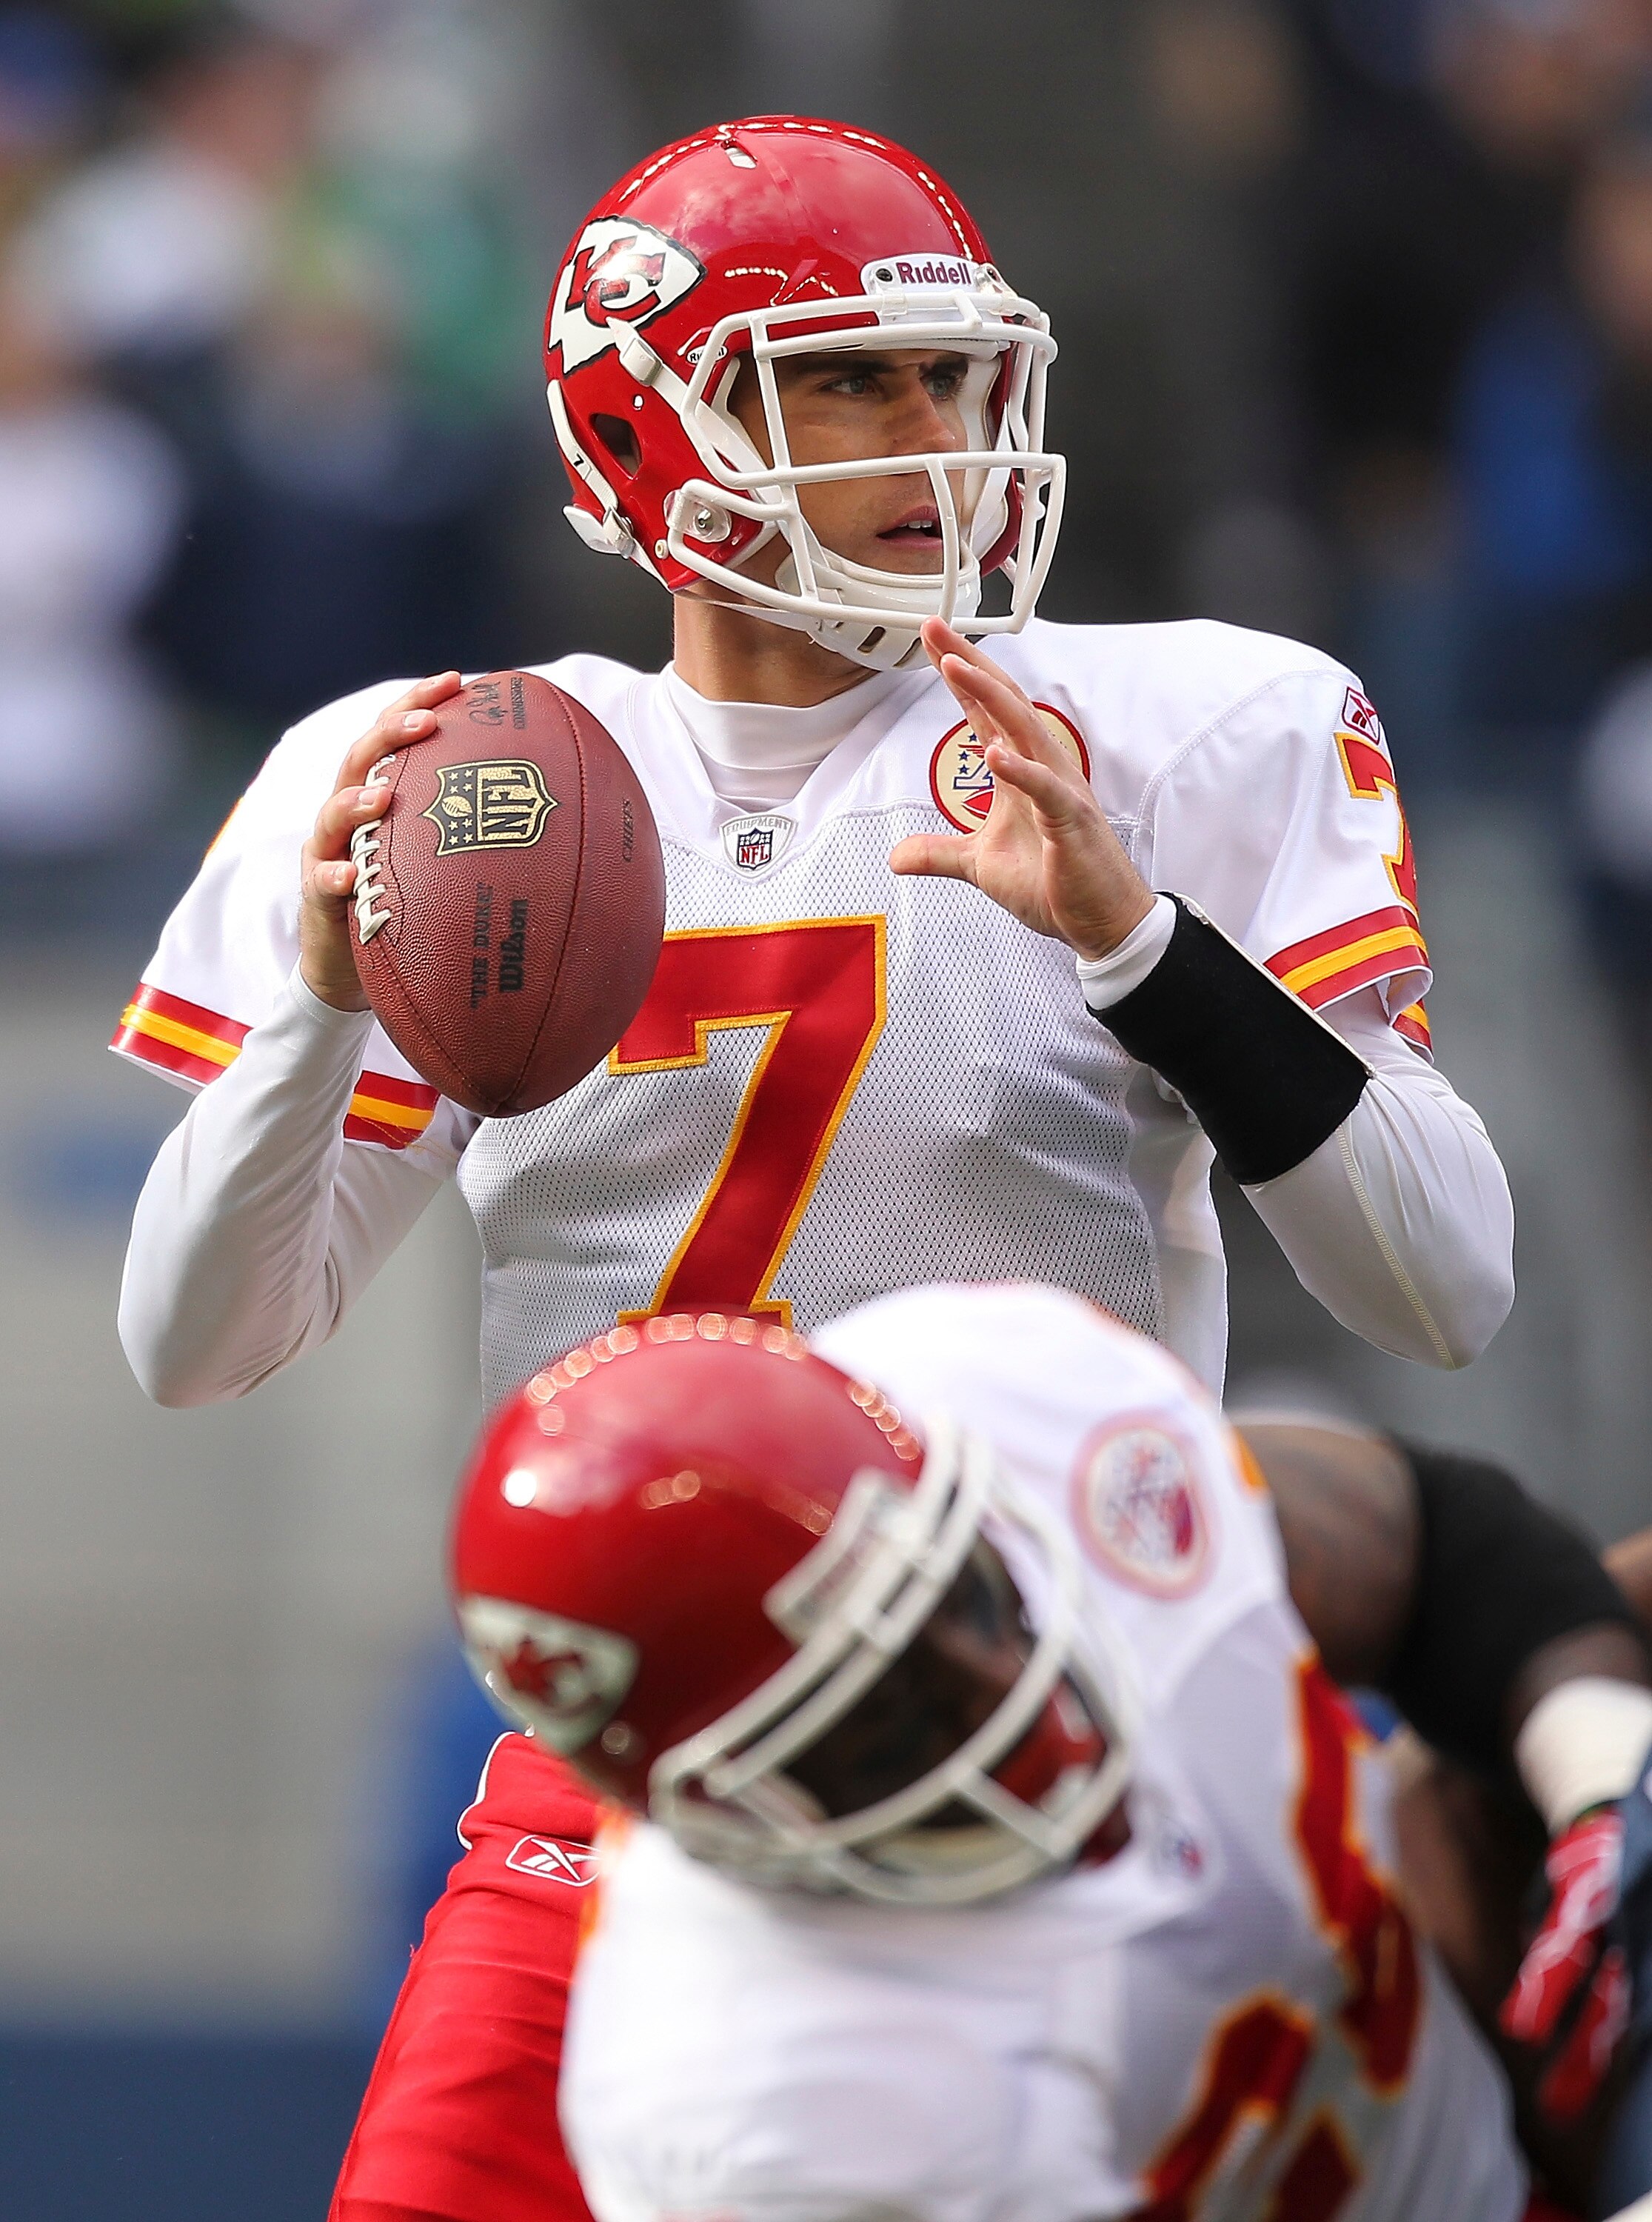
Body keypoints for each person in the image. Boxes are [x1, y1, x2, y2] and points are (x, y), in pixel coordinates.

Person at [110, 119, 1515, 2222]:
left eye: (953, 379)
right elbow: (195, 1346)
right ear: (644, 427)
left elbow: (1448, 1286)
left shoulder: (1182, 730)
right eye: (850, 379)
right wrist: (318, 1000)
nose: (935, 438)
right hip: (631, 1789)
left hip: (1054, 1746)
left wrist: (1142, 949)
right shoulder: (444, 778)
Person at [451, 1285, 1652, 2222]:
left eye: (965, 1599)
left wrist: (1606, 1796)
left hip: (1486, 2090)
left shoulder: (1002, 1394)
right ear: (719, 1816)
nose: (1002, 1693)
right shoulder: (778, 2110)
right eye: (884, 1716)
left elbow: (1430, 1544)